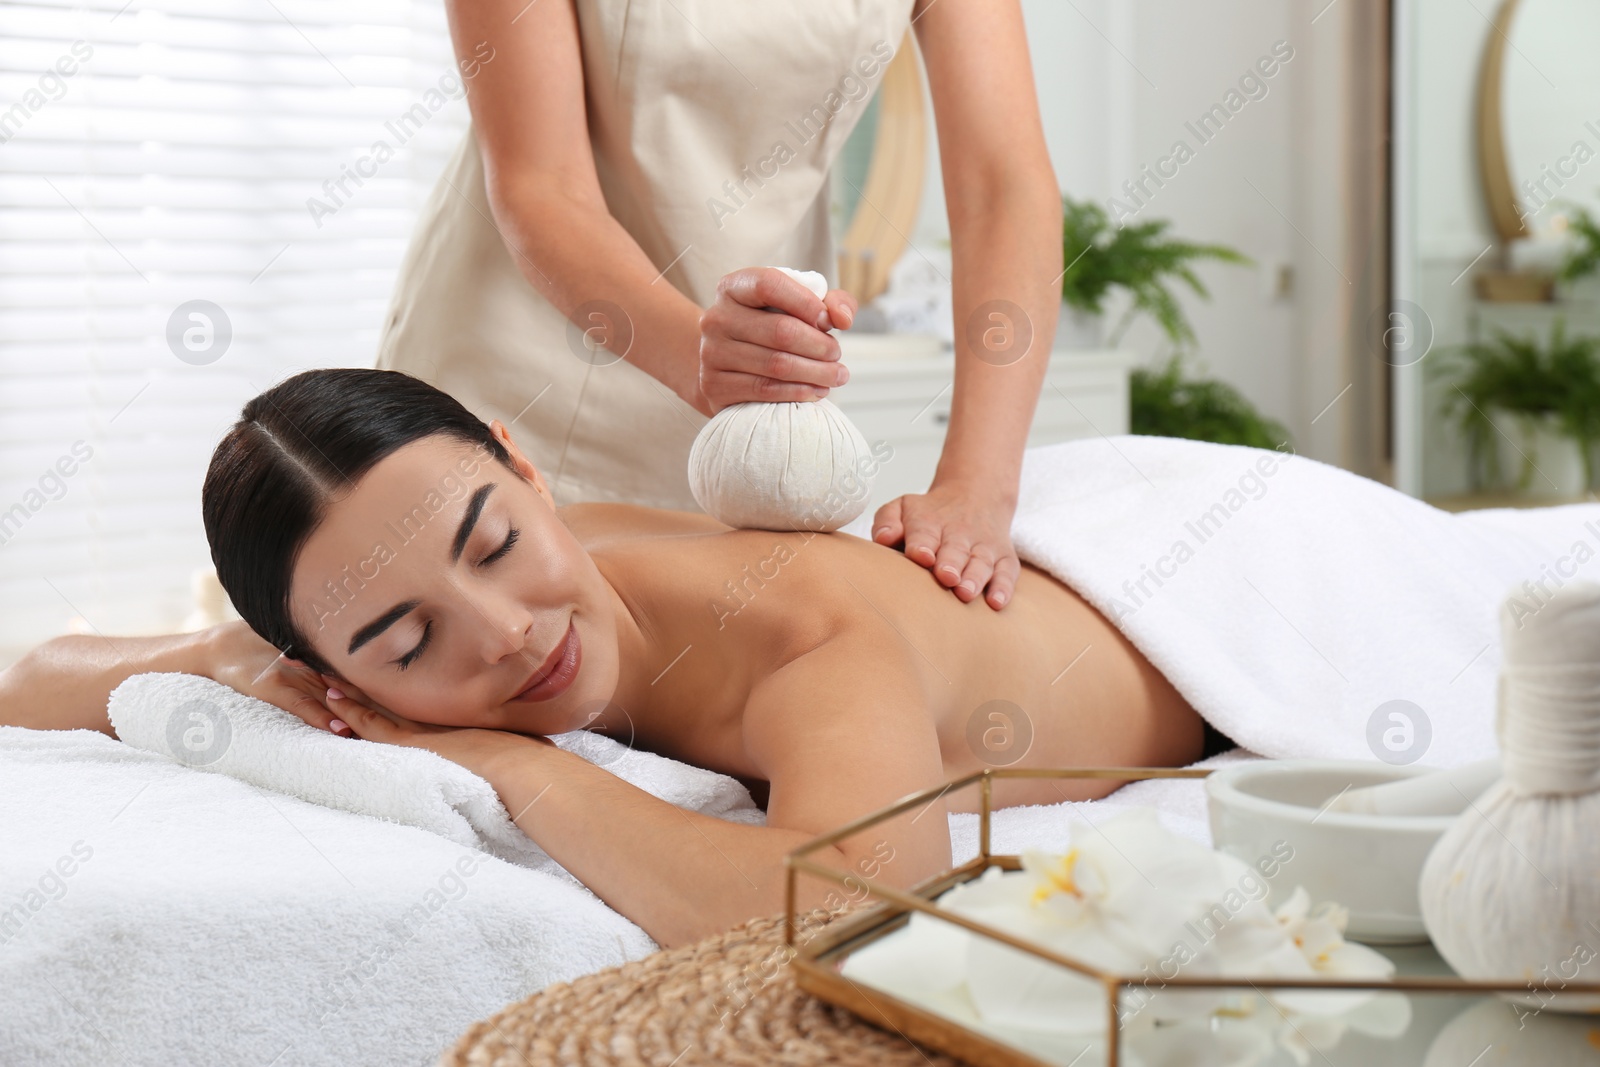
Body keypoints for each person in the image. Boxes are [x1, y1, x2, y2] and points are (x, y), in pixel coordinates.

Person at [0, 369, 1211, 950]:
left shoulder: (802, 636)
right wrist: (234, 661)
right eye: (408, 638)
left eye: (497, 540)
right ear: (331, 669)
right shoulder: (330, 645)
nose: (507, 630)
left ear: (529, 472)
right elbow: (37, 670)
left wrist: (519, 768)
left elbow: (858, 905)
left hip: (1190, 582)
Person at [377, 0, 1064, 614]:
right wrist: (704, 357)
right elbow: (541, 186)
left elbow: (1004, 187)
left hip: (748, 417)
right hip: (523, 375)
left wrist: (978, 484)